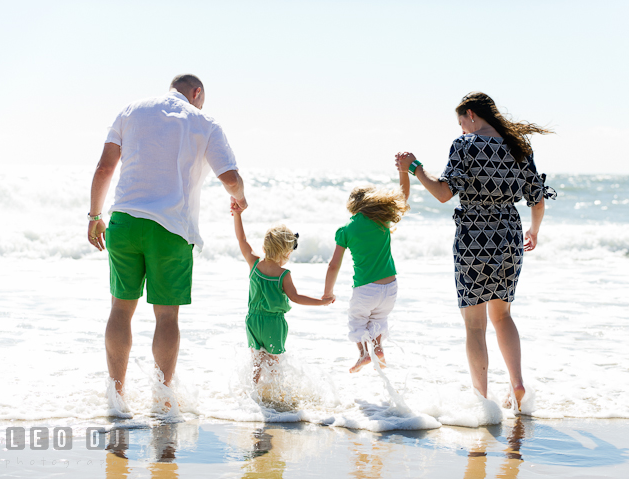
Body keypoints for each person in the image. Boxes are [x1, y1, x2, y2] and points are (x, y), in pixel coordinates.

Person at [87, 74, 247, 414]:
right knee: (166, 318)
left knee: (120, 308)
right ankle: (161, 399)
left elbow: (104, 169)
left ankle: (117, 398)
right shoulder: (204, 121)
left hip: (124, 222)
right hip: (170, 229)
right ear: (197, 93)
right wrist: (240, 199)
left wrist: (94, 216)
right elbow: (230, 178)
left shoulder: (131, 110)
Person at [395, 91, 556, 411]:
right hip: (509, 236)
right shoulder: (518, 146)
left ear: (470, 113)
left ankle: (482, 401)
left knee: (475, 325)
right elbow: (537, 199)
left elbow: (443, 193)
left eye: (461, 123)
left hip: (473, 238)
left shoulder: (464, 145)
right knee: (504, 315)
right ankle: (517, 384)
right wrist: (534, 231)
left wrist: (414, 167)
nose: (462, 130)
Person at [230, 199, 334, 383]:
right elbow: (295, 297)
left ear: (265, 247)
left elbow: (242, 239)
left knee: (257, 360)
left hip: (253, 320)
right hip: (274, 323)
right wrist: (321, 301)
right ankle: (277, 394)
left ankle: (253, 390)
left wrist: (237, 215)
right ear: (286, 253)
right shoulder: (283, 274)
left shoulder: (254, 263)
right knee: (274, 363)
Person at [323, 170, 410, 373]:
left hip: (365, 288)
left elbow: (333, 265)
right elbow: (403, 195)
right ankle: (378, 348)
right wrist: (403, 172)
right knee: (379, 320)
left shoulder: (346, 230)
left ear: (353, 204)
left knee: (357, 321)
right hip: (390, 287)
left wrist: (328, 292)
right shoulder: (382, 220)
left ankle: (363, 353)